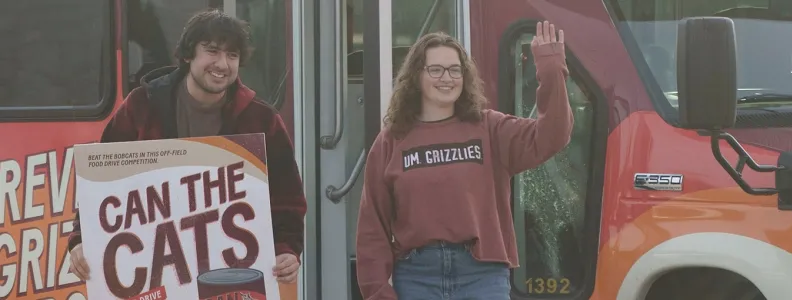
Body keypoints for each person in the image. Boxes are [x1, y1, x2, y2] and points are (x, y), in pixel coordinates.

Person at [66, 9, 306, 284]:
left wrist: (287, 251)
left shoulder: (262, 119)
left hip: (229, 275)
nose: (222, 64)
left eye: (232, 55)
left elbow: (287, 199)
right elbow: (102, 186)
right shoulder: (142, 106)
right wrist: (81, 240)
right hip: (154, 273)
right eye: (212, 51)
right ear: (188, 54)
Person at [355, 20, 573, 300]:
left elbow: (553, 136)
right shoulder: (391, 141)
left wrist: (552, 69)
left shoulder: (490, 129)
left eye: (455, 69)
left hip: (482, 276)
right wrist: (377, 292)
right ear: (415, 77)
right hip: (416, 277)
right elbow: (372, 226)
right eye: (435, 69)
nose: (447, 77)